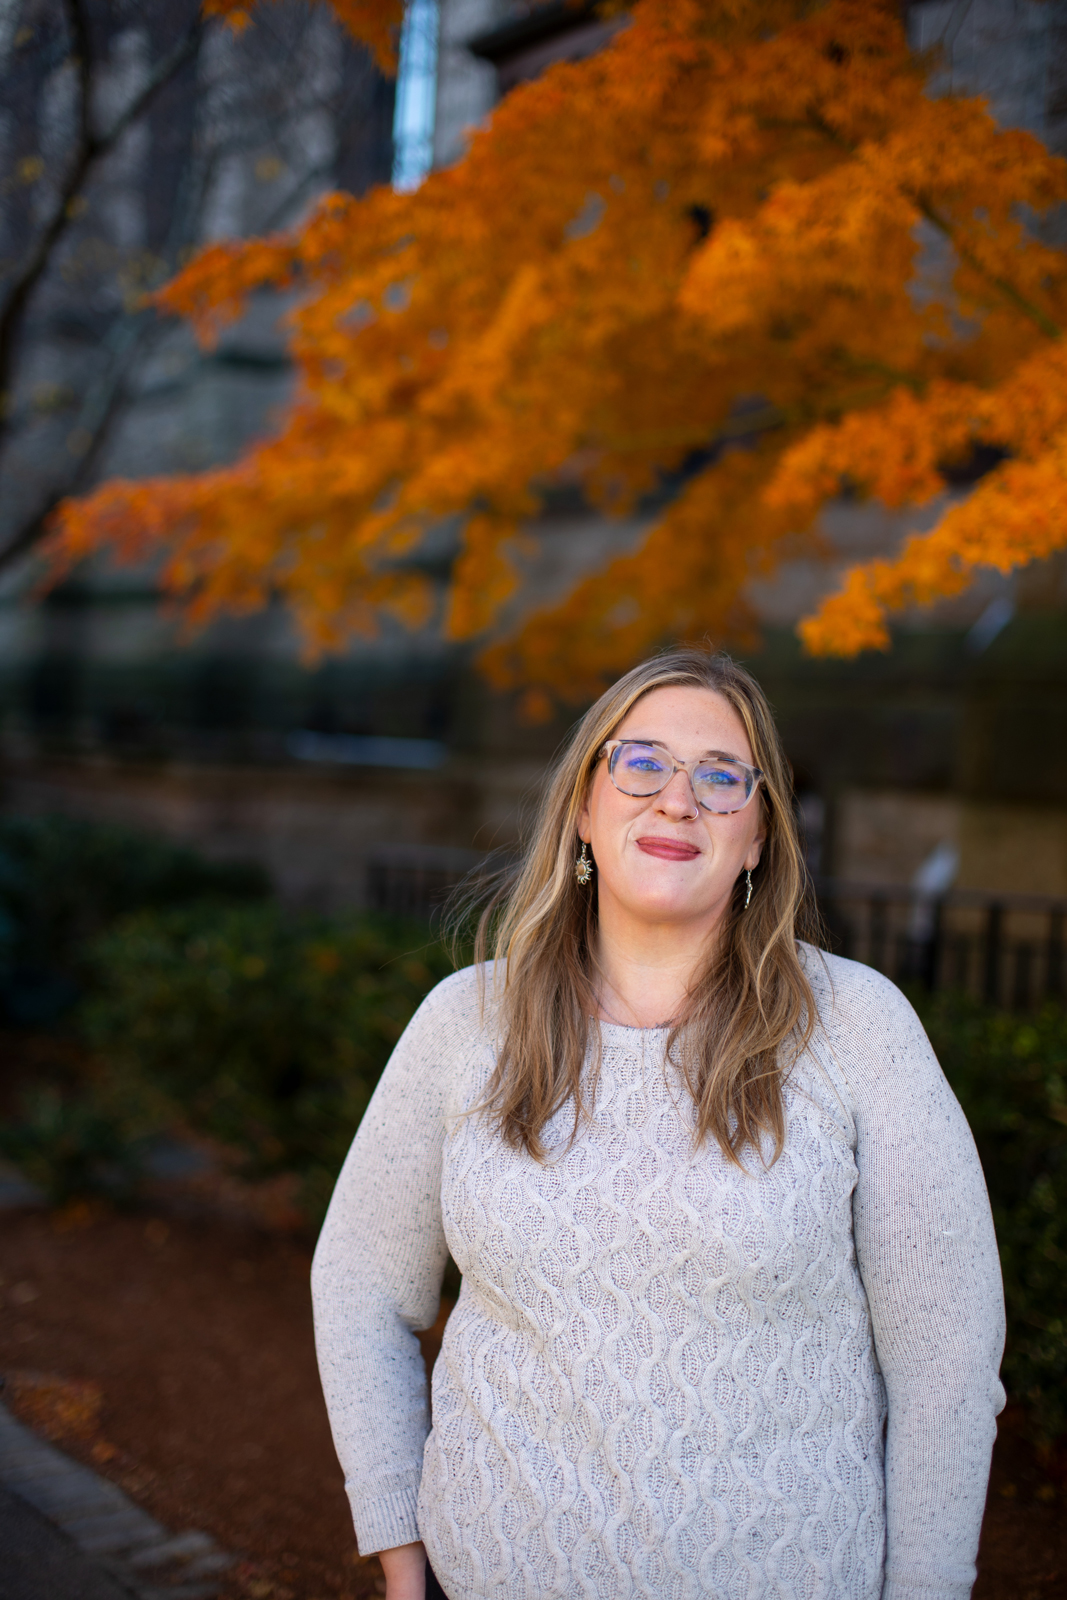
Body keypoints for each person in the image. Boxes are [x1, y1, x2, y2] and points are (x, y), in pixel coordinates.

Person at [311, 649, 1005, 1600]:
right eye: (640, 764)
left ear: (758, 837)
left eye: (722, 778)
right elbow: (358, 1286)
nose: (677, 800)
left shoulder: (857, 1026)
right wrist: (398, 1548)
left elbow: (947, 1362)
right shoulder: (464, 1023)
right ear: (583, 808)